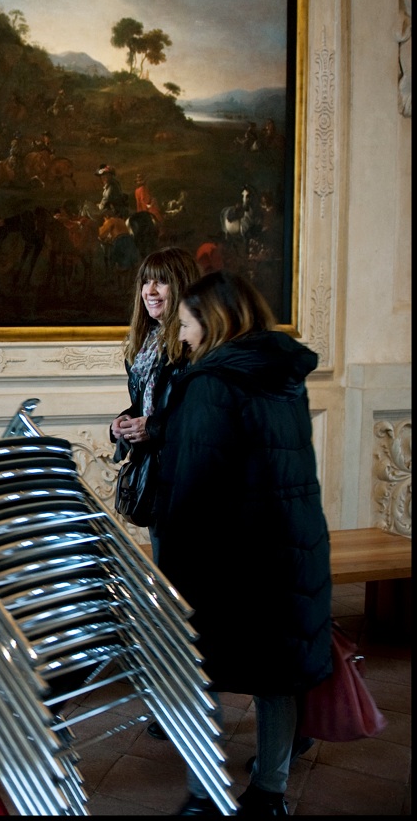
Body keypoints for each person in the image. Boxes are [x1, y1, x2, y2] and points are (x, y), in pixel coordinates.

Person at [155, 271, 333, 816]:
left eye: (185, 325)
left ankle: (205, 794)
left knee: (195, 668)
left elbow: (197, 484)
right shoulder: (284, 373)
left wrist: (174, 570)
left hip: (229, 555)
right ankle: (270, 794)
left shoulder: (211, 383)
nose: (181, 338)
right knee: (276, 673)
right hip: (291, 544)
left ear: (211, 322)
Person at [109, 247, 200, 741]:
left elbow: (195, 415)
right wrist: (122, 424)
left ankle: (185, 705)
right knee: (169, 593)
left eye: (162, 282)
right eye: (146, 282)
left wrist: (155, 428)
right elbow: (147, 403)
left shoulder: (189, 345)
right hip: (156, 476)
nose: (151, 291)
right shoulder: (143, 345)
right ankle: (178, 702)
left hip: (183, 481)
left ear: (181, 287)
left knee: (179, 595)